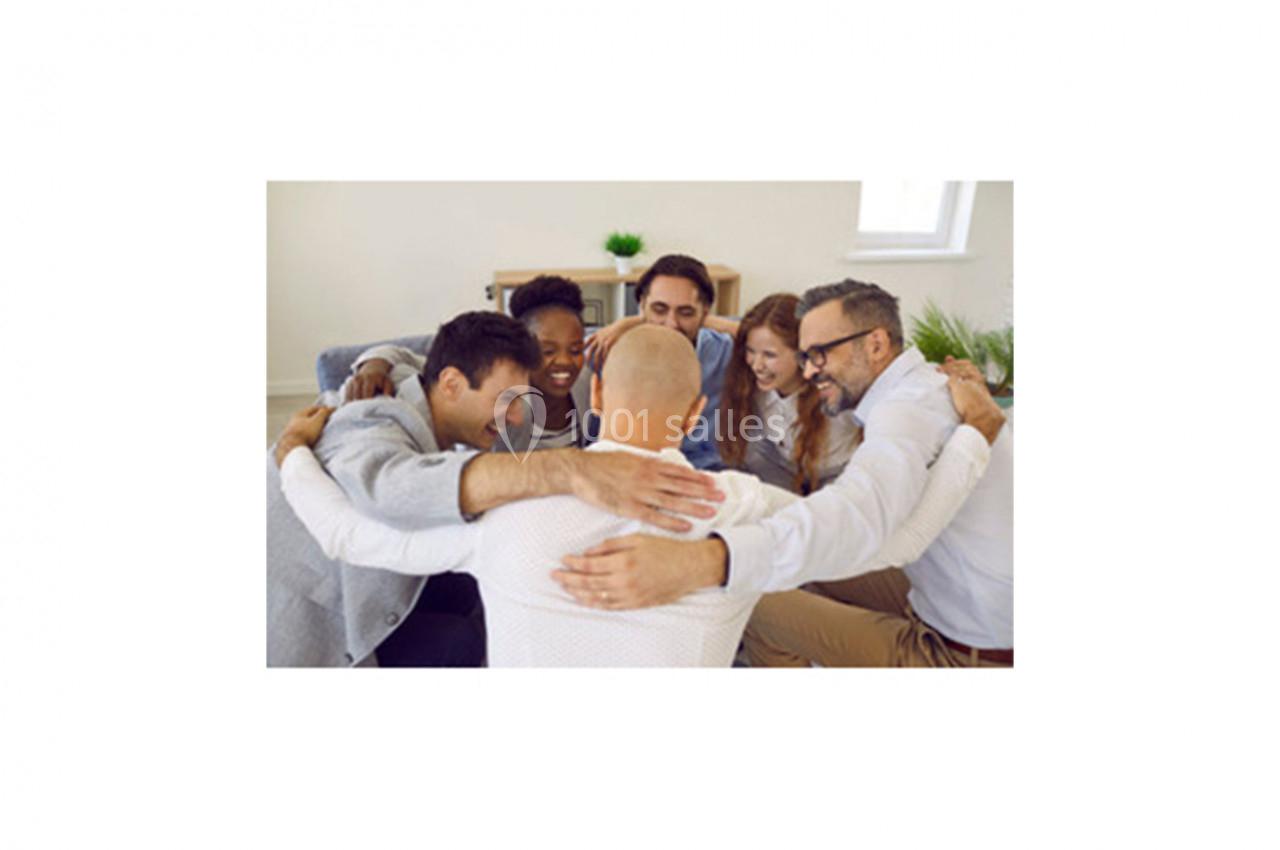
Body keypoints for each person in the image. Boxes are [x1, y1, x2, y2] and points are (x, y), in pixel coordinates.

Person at [273, 325, 992, 666]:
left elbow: (344, 533)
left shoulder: (504, 514)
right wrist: (975, 436)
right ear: (695, 416)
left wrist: (292, 455)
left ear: (597, 398)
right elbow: (899, 540)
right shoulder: (741, 507)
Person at [552, 279, 1014, 668]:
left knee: (753, 595)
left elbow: (890, 540)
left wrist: (702, 562)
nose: (809, 371)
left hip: (963, 652)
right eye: (805, 355)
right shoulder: (924, 386)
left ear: (875, 344)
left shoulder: (906, 411)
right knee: (791, 559)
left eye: (819, 355)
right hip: (939, 594)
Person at [266, 311, 724, 667]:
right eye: (506, 401)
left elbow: (408, 355)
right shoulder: (369, 420)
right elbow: (395, 492)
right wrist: (572, 468)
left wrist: (377, 359)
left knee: (475, 594)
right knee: (462, 638)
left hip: (378, 569)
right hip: (315, 616)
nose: (518, 417)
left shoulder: (423, 380)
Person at [350, 275, 593, 451]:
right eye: (548, 350)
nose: (564, 361)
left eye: (575, 350)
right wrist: (374, 365)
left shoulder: (585, 380)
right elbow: (427, 359)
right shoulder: (492, 372)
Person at [584, 254, 736, 470]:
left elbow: (769, 337)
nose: (671, 324)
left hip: (705, 471)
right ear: (642, 305)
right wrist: (631, 323)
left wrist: (714, 323)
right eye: (659, 309)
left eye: (686, 312)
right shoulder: (612, 345)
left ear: (705, 313)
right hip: (622, 469)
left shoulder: (722, 350)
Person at [719, 293, 861, 494]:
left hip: (838, 474)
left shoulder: (836, 388)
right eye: (751, 351)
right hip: (787, 469)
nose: (757, 365)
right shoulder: (753, 384)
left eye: (769, 355)